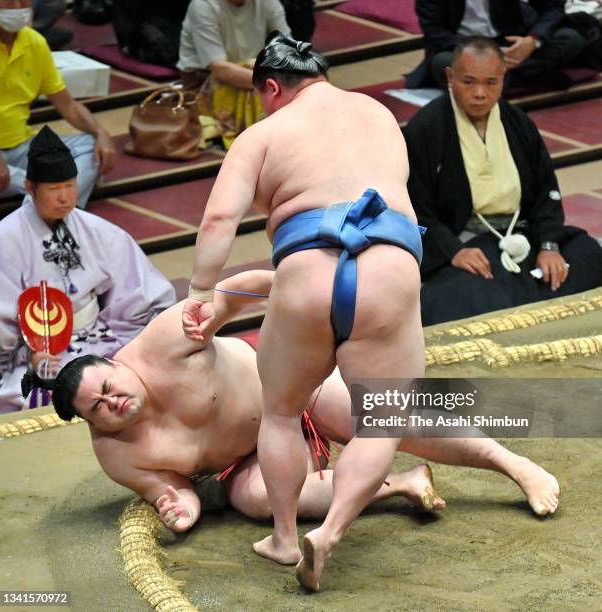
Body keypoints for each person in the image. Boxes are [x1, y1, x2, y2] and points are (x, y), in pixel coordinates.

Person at [178, 33, 551, 591]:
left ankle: (284, 538)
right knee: (383, 416)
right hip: (389, 270)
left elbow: (216, 223)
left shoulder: (262, 134)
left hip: (306, 272)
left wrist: (201, 291)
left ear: (272, 88)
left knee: (280, 411)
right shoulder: (378, 113)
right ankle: (330, 530)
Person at [23, 271, 559, 541]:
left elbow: (234, 290)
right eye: (99, 408)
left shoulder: (165, 339)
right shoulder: (118, 454)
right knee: (256, 502)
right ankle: (399, 485)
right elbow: (173, 489)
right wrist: (177, 507)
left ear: (117, 362)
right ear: (92, 424)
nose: (113, 402)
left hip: (288, 388)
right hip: (245, 460)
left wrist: (294, 288)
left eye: (109, 386)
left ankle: (513, 464)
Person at [402, 37, 602, 325]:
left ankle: (522, 298)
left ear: (503, 79)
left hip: (522, 233)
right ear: (450, 76)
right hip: (466, 240)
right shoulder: (426, 129)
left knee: (587, 254)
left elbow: (547, 190)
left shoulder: (517, 122)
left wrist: (548, 245)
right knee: (463, 294)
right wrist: (453, 251)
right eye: (469, 82)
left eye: (490, 83)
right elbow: (415, 207)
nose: (480, 93)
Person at [0, 126, 175, 413]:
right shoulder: (4, 238)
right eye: (54, 189)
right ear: (30, 188)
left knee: (149, 367)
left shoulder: (96, 229)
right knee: (24, 393)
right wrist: (30, 350)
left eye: (70, 186)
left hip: (99, 338)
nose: (65, 197)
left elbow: (140, 292)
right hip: (34, 352)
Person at [0, 0, 116, 209]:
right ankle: (57, 199)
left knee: (90, 146)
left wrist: (100, 132)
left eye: (22, 0)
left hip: (22, 147)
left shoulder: (35, 43)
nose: (18, 6)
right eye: (8, 1)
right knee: (63, 182)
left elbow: (68, 104)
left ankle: (43, 202)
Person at [176, 0, 290, 148]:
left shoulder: (268, 3)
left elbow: (288, 51)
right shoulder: (202, 5)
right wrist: (274, 83)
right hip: (204, 81)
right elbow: (220, 69)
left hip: (255, 75)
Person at [407, 0, 585, 90]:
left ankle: (496, 78)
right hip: (463, 48)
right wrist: (484, 54)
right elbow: (434, 33)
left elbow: (552, 7)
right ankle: (510, 78)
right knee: (442, 62)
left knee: (570, 39)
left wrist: (532, 40)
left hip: (508, 41)